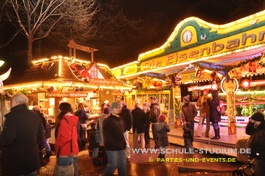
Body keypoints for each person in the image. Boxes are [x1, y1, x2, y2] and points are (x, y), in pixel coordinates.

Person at [0, 93, 44, 176]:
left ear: (15, 102)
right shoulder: (35, 116)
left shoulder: (12, 117)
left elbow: (8, 139)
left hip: (15, 162)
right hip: (32, 160)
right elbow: (40, 136)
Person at [103, 102, 127, 176]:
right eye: (118, 107)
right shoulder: (107, 121)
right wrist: (115, 143)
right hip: (112, 147)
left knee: (122, 165)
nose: (119, 109)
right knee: (113, 165)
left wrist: (123, 143)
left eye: (120, 107)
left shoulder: (120, 119)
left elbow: (122, 131)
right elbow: (107, 135)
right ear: (112, 109)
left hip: (120, 146)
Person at [55, 102, 79, 176]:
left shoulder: (64, 120)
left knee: (62, 171)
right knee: (73, 170)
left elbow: (66, 137)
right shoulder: (73, 119)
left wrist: (58, 145)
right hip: (73, 149)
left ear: (61, 109)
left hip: (65, 150)